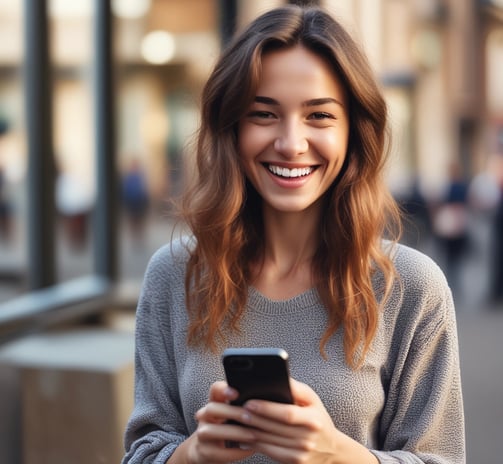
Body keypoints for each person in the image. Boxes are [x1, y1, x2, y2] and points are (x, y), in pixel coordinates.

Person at [122, 5, 465, 464]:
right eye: (263, 114)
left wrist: (337, 454)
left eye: (319, 116)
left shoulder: (412, 287)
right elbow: (143, 451)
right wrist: (190, 454)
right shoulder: (173, 276)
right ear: (232, 128)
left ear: (353, 132)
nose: (290, 142)